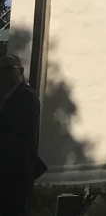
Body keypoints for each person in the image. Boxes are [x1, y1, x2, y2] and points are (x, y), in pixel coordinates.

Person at [0, 54, 46, 215]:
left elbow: (13, 128)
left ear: (20, 71)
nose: (4, 74)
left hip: (17, 169)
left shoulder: (26, 95)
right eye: (1, 70)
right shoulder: (5, 96)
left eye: (8, 70)